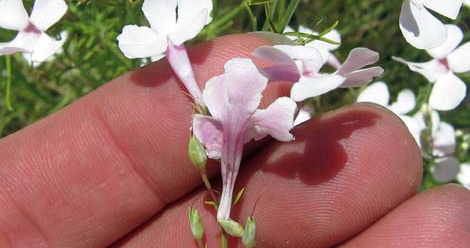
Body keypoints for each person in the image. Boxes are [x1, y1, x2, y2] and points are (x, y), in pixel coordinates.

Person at [0, 35, 468, 247]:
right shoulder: (224, 125)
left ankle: (225, 214)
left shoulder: (256, 115)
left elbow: (260, 123)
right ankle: (224, 215)